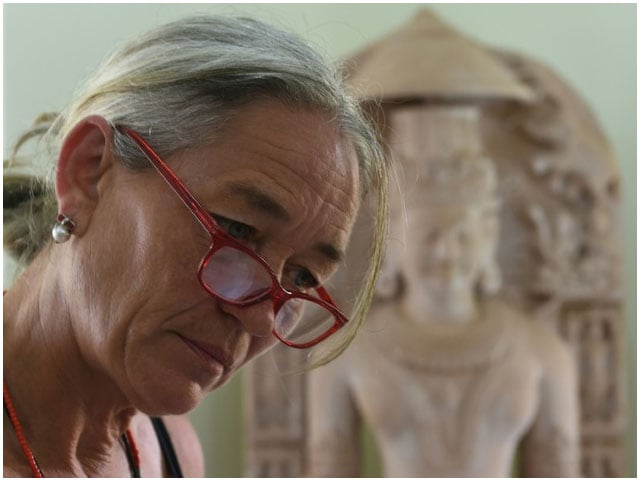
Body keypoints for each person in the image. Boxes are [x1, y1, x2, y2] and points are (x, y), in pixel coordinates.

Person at [3, 15, 388, 477]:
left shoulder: (173, 453)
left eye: (303, 277)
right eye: (238, 230)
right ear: (89, 172)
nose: (261, 316)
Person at [306, 106, 578, 477]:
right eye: (427, 234)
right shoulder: (344, 356)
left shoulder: (542, 352)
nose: (446, 252)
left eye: (463, 235)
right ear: (392, 241)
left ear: (489, 238)